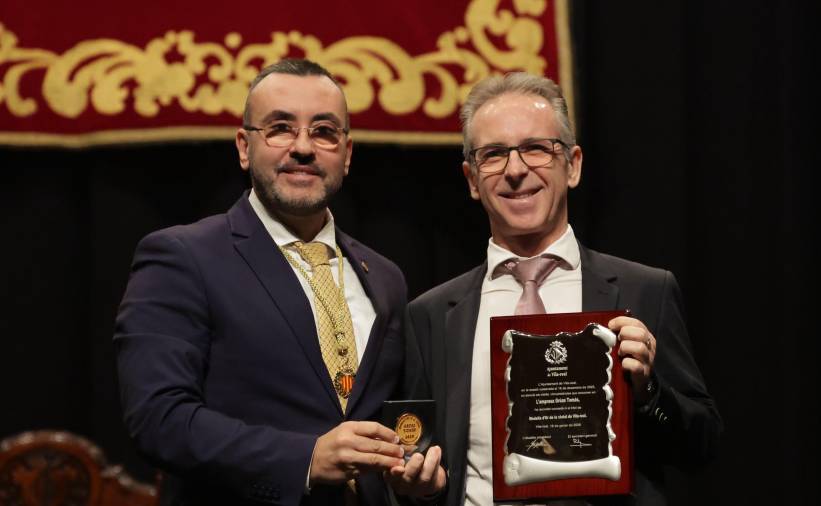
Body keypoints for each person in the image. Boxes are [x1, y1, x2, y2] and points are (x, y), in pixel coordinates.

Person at [114, 58, 441, 506]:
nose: (303, 147)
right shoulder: (183, 257)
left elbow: (396, 427)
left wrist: (414, 480)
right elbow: (159, 419)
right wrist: (304, 459)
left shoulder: (385, 277)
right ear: (244, 147)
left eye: (324, 131)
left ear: (346, 154)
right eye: (280, 128)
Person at [404, 73, 722, 505]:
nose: (516, 170)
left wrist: (648, 391)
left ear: (572, 165)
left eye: (536, 148)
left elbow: (701, 446)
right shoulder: (431, 314)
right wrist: (422, 486)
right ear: (472, 179)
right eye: (494, 154)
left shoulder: (645, 291)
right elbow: (420, 465)